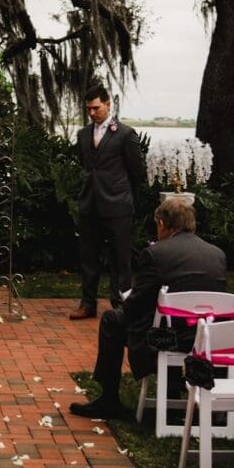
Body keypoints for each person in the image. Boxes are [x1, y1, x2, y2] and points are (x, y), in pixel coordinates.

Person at [69, 197, 227, 420]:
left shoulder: (156, 254)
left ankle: (109, 400)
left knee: (112, 320)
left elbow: (134, 307)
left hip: (167, 339)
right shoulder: (217, 255)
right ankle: (173, 392)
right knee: (154, 319)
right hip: (205, 340)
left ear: (162, 224)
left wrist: (127, 301)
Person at [71, 84, 145, 320]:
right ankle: (88, 303)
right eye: (88, 109)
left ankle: (120, 303)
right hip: (89, 204)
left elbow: (137, 172)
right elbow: (86, 165)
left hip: (118, 205)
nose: (92, 113)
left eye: (96, 108)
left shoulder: (125, 134)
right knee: (88, 257)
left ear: (108, 104)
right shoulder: (83, 134)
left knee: (120, 259)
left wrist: (124, 196)